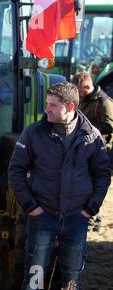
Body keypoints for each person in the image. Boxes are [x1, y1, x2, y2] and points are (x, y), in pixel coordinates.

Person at [8, 82, 111, 290]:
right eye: (47, 104)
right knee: (34, 277)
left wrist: (89, 209)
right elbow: (16, 170)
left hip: (76, 219)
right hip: (42, 218)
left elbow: (103, 174)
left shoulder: (91, 137)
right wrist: (31, 207)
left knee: (73, 278)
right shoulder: (34, 133)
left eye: (53, 105)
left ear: (70, 107)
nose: (47, 109)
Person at [71, 71, 113, 231]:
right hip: (85, 149)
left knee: (95, 185)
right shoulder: (86, 100)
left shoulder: (103, 102)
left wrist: (89, 130)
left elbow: (110, 126)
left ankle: (94, 217)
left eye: (79, 91)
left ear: (87, 87)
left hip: (99, 150)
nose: (78, 95)